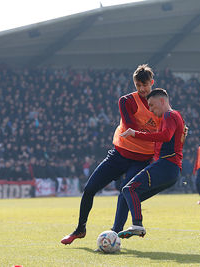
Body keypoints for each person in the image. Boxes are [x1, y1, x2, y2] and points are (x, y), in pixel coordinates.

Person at [61, 64, 161, 245]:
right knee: (89, 189)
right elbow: (132, 128)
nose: (142, 89)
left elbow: (168, 130)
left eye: (145, 85)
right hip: (119, 156)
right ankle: (80, 229)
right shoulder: (126, 101)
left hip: (141, 160)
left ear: (152, 83)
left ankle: (114, 234)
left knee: (125, 192)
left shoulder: (161, 104)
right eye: (138, 85)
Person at [117, 88, 186, 238]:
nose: (151, 110)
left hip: (167, 165)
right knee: (127, 196)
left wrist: (135, 134)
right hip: (171, 170)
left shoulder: (169, 115)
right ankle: (115, 233)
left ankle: (137, 225)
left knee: (129, 189)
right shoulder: (177, 116)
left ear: (162, 101)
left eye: (152, 105)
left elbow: (166, 136)